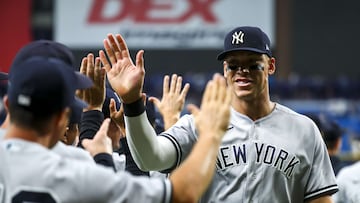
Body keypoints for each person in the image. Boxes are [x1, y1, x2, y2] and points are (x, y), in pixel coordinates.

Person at [104, 26, 338, 202]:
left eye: (253, 63)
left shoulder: (304, 130)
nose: (242, 72)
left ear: (271, 65)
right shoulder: (198, 125)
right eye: (233, 65)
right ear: (224, 69)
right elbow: (149, 158)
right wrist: (132, 102)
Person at [0, 41, 233, 203]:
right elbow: (182, 194)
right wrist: (211, 134)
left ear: (8, 104)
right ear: (63, 118)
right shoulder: (77, 173)